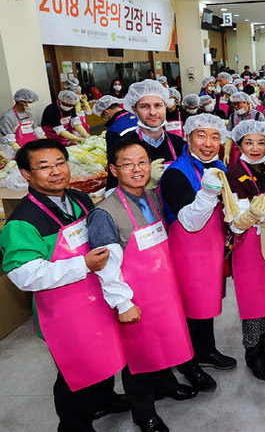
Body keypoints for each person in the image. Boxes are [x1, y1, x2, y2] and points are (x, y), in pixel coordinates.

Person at [0, 139, 130, 431]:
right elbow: (25, 274)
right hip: (63, 310)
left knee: (103, 351)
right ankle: (73, 424)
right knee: (75, 370)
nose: (56, 171)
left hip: (94, 295)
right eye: (44, 167)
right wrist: (82, 265)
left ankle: (104, 399)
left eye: (60, 163)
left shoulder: (79, 199)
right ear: (25, 173)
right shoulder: (23, 221)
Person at [88, 137, 198, 432]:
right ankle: (144, 413)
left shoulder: (152, 196)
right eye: (128, 164)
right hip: (134, 296)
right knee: (138, 358)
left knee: (164, 342)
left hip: (163, 289)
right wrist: (123, 303)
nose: (137, 169)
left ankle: (166, 385)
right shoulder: (105, 213)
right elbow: (106, 267)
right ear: (113, 169)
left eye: (143, 162)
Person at [160, 114, 237, 393]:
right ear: (188, 137)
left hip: (211, 247)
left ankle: (206, 350)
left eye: (215, 137)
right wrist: (207, 193)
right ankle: (187, 363)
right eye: (201, 136)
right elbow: (190, 221)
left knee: (205, 305)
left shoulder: (216, 165)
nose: (208, 143)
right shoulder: (175, 174)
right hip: (187, 251)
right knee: (189, 308)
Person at [226, 122, 265, 381]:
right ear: (239, 145)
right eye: (249, 143)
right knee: (252, 301)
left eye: (260, 142)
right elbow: (233, 220)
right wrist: (250, 215)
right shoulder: (233, 174)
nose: (255, 148)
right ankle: (252, 352)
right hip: (248, 244)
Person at [106, 79, 185, 190]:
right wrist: (147, 185)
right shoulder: (122, 148)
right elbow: (112, 190)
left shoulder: (179, 144)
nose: (153, 112)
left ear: (165, 107)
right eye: (144, 106)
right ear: (134, 110)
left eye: (158, 105)